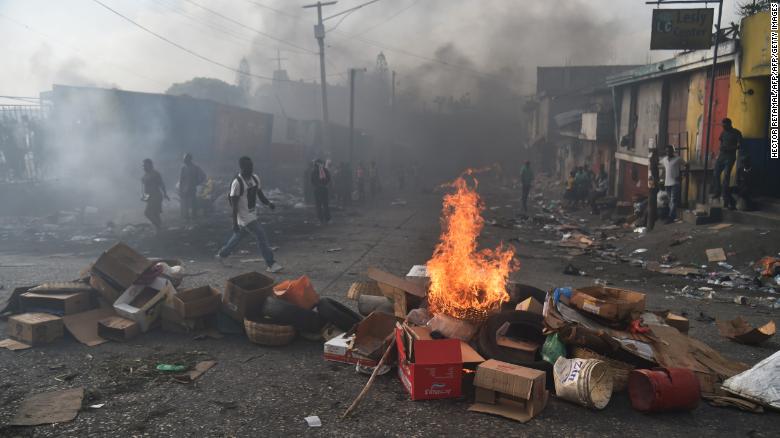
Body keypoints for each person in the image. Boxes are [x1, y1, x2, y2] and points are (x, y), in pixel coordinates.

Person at [216, 156, 283, 273]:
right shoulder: (237, 183)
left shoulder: (255, 178)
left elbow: (260, 194)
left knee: (239, 236)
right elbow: (234, 205)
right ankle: (271, 263)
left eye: (251, 166)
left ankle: (222, 254)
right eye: (248, 166)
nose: (251, 168)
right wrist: (235, 223)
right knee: (261, 235)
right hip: (244, 217)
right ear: (242, 167)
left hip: (252, 213)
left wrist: (268, 203)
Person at [711, 118, 742, 209]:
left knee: (726, 175)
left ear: (730, 124)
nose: (723, 126)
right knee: (716, 173)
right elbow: (721, 142)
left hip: (730, 157)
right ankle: (717, 192)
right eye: (722, 125)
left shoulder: (736, 132)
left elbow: (739, 145)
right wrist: (720, 150)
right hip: (721, 156)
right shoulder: (723, 132)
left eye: (725, 125)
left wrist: (731, 148)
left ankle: (725, 195)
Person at [141, 158, 169, 232]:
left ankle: (159, 227)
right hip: (150, 196)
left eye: (145, 165)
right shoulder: (146, 174)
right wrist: (145, 197)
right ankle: (159, 230)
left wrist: (165, 194)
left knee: (147, 213)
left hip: (155, 196)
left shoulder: (155, 174)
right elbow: (145, 187)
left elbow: (161, 184)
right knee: (156, 214)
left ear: (150, 165)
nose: (143, 167)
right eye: (143, 166)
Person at [178, 153, 206, 221]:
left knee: (193, 202)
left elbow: (203, 176)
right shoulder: (183, 168)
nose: (184, 160)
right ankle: (186, 216)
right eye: (184, 159)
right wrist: (180, 188)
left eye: (185, 159)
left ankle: (194, 216)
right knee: (185, 203)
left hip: (192, 187)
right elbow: (181, 179)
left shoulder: (195, 167)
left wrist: (198, 182)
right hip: (184, 188)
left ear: (189, 159)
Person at [660, 145, 684, 223]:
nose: (668, 152)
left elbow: (686, 165)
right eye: (666, 151)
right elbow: (659, 165)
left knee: (673, 200)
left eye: (669, 151)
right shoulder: (664, 160)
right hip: (667, 183)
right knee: (671, 200)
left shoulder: (678, 159)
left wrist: (682, 176)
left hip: (675, 183)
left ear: (672, 151)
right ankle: (672, 215)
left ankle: (671, 217)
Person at [311, 159, 331, 224]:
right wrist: (324, 184)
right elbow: (328, 179)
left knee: (318, 205)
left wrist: (317, 185)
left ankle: (320, 219)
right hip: (324, 189)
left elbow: (312, 181)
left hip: (317, 190)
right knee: (325, 204)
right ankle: (327, 219)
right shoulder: (325, 170)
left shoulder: (314, 171)